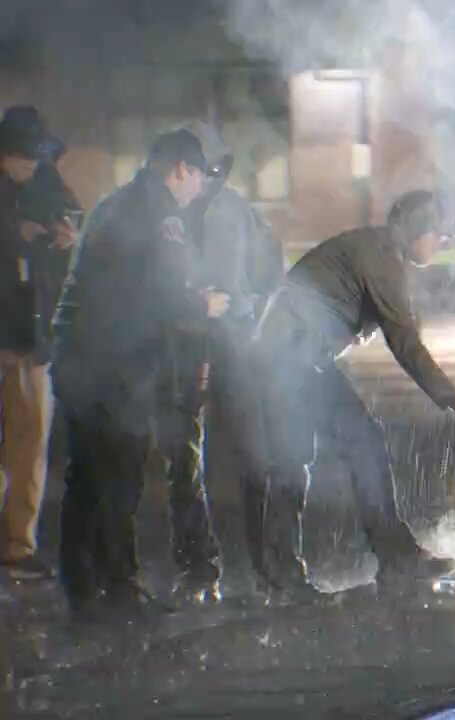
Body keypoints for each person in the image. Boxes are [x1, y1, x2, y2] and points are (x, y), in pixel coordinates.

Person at [244, 189, 455, 603]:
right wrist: (454, 402)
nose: (440, 245)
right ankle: (357, 563)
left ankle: (287, 570)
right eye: (439, 236)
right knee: (346, 446)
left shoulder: (379, 250)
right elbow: (406, 344)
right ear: (419, 230)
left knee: (308, 455)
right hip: (289, 354)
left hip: (293, 353)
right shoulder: (380, 258)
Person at [51, 129, 230, 619]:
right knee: (119, 472)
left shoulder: (115, 203)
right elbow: (170, 290)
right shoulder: (160, 213)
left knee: (86, 474)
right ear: (180, 170)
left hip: (77, 355)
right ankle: (117, 586)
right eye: (198, 177)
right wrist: (207, 304)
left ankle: (81, 587)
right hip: (112, 363)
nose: (198, 189)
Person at [156, 121, 284, 604]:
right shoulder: (166, 213)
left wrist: (249, 307)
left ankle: (268, 564)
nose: (207, 178)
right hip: (184, 343)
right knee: (184, 459)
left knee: (255, 454)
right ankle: (198, 566)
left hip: (236, 343)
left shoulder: (237, 211)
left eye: (215, 169)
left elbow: (271, 268)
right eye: (200, 169)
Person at [0, 106, 76, 580]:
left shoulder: (49, 187)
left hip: (33, 342)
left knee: (30, 448)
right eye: (22, 158)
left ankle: (17, 545)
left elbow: (75, 223)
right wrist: (13, 238)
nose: (29, 167)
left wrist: (70, 235)